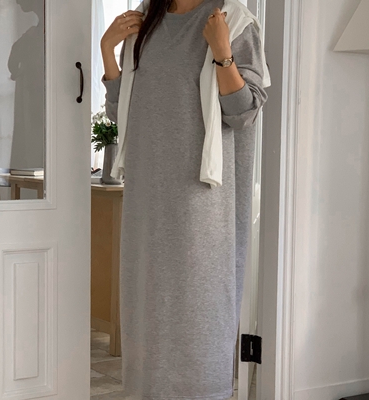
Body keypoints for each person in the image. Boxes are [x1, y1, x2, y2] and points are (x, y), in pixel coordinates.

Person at [100, 0, 269, 398]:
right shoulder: (146, 20)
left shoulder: (233, 20)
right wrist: (108, 50)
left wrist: (222, 52)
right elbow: (124, 113)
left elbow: (243, 113)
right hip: (147, 195)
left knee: (200, 308)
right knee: (147, 306)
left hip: (202, 198)